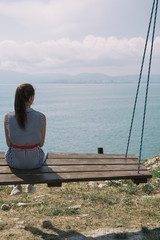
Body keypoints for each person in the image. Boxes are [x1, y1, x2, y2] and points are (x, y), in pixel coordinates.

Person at [4, 83, 47, 195]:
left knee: (8, 152)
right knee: (43, 152)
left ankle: (16, 185)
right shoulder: (41, 117)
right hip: (34, 162)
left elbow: (9, 144)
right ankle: (31, 185)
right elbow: (41, 144)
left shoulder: (7, 117)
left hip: (15, 162)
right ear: (31, 97)